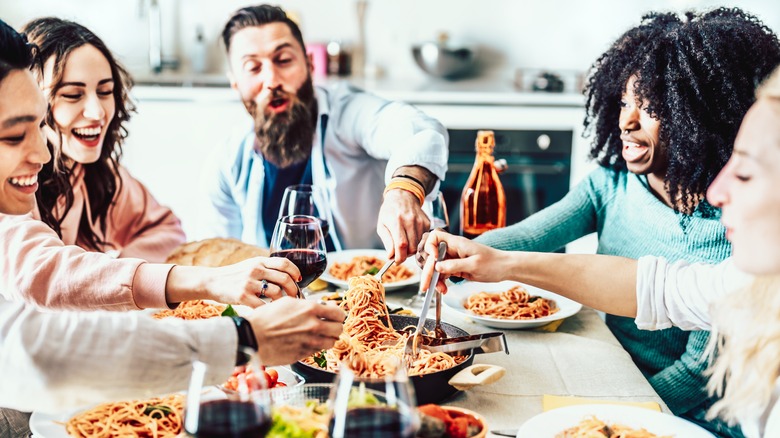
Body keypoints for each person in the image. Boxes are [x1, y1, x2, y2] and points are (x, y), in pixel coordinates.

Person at [0, 18, 345, 435]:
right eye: (15, 136)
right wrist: (220, 307)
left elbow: (163, 229)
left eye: (106, 91)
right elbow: (46, 279)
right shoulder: (18, 197)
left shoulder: (96, 178)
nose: (41, 151)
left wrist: (111, 274)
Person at [461, 8, 780, 436]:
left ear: (698, 119)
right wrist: (454, 250)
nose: (626, 121)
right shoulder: (610, 186)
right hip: (609, 366)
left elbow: (694, 377)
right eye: (626, 101)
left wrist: (599, 410)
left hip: (675, 412)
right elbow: (531, 239)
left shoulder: (739, 237)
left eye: (649, 108)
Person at [200, 4, 448, 263]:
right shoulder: (227, 163)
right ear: (235, 82)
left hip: (374, 290)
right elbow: (221, 260)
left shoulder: (347, 113)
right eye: (253, 67)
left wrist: (404, 190)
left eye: (283, 60)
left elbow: (421, 132)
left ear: (309, 63)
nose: (272, 80)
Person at [21, 17, 185, 263]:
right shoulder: (15, 183)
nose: (97, 112)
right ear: (28, 99)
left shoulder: (103, 177)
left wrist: (119, 264)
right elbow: (42, 278)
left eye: (105, 91)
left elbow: (170, 231)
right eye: (72, 95)